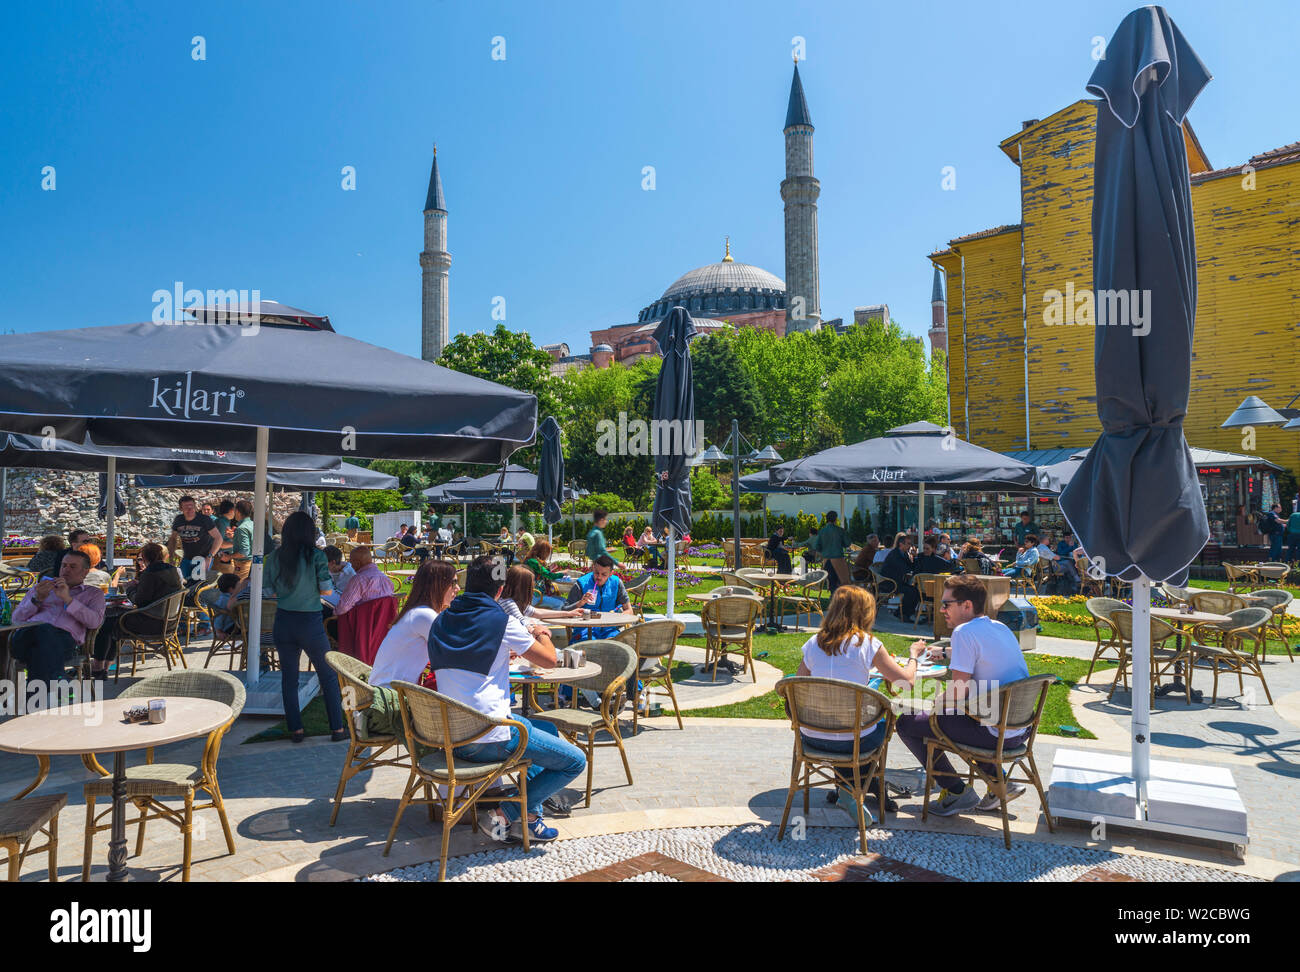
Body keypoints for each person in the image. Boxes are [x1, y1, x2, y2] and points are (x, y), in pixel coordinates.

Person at [433, 555, 587, 843]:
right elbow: (550, 660)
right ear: (500, 591)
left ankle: (528, 819)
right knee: (575, 761)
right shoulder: (500, 620)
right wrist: (541, 632)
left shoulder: (441, 619)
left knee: (547, 731)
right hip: (491, 736)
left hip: (452, 737)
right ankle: (505, 815)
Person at [895, 575, 1030, 815]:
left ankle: (956, 791)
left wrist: (933, 705)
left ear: (966, 605)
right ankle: (998, 783)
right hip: (1019, 731)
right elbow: (985, 655)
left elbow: (958, 691)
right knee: (964, 716)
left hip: (994, 734)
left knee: (908, 721)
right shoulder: (1001, 628)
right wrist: (947, 652)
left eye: (946, 604)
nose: (941, 609)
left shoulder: (963, 632)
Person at [796, 586, 922, 821]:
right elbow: (905, 683)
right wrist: (914, 655)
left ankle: (847, 790)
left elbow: (796, 684)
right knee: (882, 725)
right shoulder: (868, 644)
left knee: (850, 724)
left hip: (812, 738)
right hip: (853, 742)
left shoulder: (814, 643)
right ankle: (856, 789)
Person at [238, 511, 344, 744]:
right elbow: (327, 590)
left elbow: (267, 591)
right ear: (309, 532)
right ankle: (337, 728)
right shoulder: (316, 556)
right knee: (327, 675)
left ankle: (296, 730)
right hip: (310, 622)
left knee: (289, 677)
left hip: (283, 621)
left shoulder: (274, 557)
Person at [8, 549, 105, 693]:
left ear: (85, 572)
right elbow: (16, 619)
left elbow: (94, 622)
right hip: (25, 637)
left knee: (40, 648)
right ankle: (57, 678)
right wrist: (38, 599)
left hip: (63, 641)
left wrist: (68, 600)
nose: (66, 570)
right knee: (42, 629)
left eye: (73, 567)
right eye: (63, 565)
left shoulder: (93, 594)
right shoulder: (41, 589)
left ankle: (39, 691)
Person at [368, 560, 460, 696]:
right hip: (391, 697)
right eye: (453, 583)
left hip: (385, 689)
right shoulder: (424, 615)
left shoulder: (417, 612)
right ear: (437, 585)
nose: (457, 588)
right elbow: (453, 653)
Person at [92, 542, 182, 677]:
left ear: (145, 557)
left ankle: (99, 667)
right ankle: (105, 666)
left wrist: (130, 588)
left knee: (108, 624)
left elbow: (139, 600)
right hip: (169, 621)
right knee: (113, 623)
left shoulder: (150, 573)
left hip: (151, 622)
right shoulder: (172, 570)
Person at [562, 554, 630, 642]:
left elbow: (629, 610)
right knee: (589, 646)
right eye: (596, 573)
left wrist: (615, 618)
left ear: (611, 573)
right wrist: (580, 603)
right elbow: (564, 611)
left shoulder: (616, 583)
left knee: (621, 645)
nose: (599, 577)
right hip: (585, 629)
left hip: (609, 629)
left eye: (604, 574)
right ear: (593, 568)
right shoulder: (581, 584)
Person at [168, 495, 222, 586]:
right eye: (186, 507)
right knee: (183, 584)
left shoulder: (204, 519)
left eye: (191, 506)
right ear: (181, 508)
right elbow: (173, 538)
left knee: (197, 586)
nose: (189, 509)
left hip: (202, 559)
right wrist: (171, 556)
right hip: (186, 558)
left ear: (195, 506)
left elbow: (218, 538)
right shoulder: (179, 519)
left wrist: (209, 557)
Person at [334, 545, 392, 617]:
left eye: (351, 562)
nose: (351, 566)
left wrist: (333, 612)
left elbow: (342, 609)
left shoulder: (358, 580)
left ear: (357, 563)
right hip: (383, 622)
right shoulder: (386, 579)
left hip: (362, 623)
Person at [880, 533, 920, 620]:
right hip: (889, 583)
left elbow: (911, 567)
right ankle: (903, 614)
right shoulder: (895, 554)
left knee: (916, 591)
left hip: (897, 581)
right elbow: (905, 568)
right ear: (901, 544)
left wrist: (914, 557)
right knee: (912, 592)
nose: (910, 546)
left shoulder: (904, 554)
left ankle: (903, 613)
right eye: (908, 543)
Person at [818, 511, 850, 592]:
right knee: (844, 584)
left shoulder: (822, 531)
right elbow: (847, 543)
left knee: (832, 584)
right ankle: (841, 602)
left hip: (826, 560)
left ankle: (833, 601)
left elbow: (817, 547)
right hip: (838, 560)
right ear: (836, 519)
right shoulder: (840, 530)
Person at [321, 545, 356, 610]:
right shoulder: (325, 571)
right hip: (328, 604)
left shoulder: (351, 574)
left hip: (344, 609)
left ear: (332, 563)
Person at [212, 499, 236, 574]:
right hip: (222, 557)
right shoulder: (221, 522)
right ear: (231, 510)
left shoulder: (224, 522)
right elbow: (220, 543)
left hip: (224, 557)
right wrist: (236, 543)